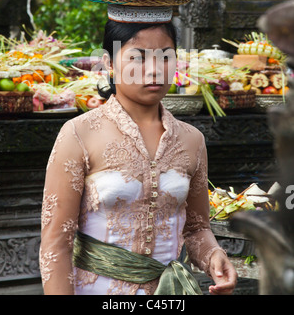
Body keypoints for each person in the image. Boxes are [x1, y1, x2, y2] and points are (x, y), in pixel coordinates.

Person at [39, 15, 237, 295]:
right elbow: (57, 242)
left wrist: (213, 256)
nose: (154, 70)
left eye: (165, 57)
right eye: (138, 58)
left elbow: (196, 228)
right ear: (108, 63)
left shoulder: (192, 140)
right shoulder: (79, 134)